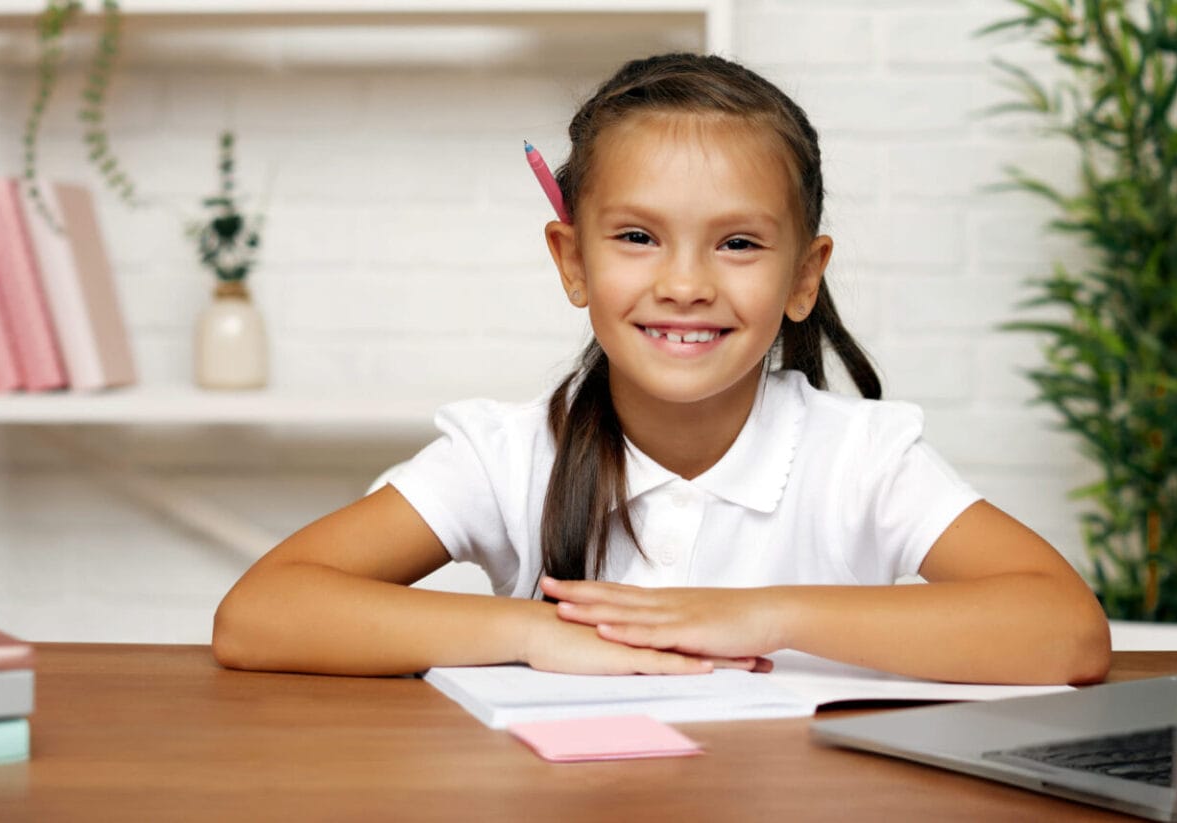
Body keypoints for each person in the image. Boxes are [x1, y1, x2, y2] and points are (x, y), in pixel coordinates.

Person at [212, 53, 1111, 685]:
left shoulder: (863, 458)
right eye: (637, 238)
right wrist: (537, 633)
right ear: (573, 262)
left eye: (739, 243)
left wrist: (759, 614)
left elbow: (1065, 631)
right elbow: (260, 613)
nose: (685, 284)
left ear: (805, 275)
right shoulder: (505, 451)